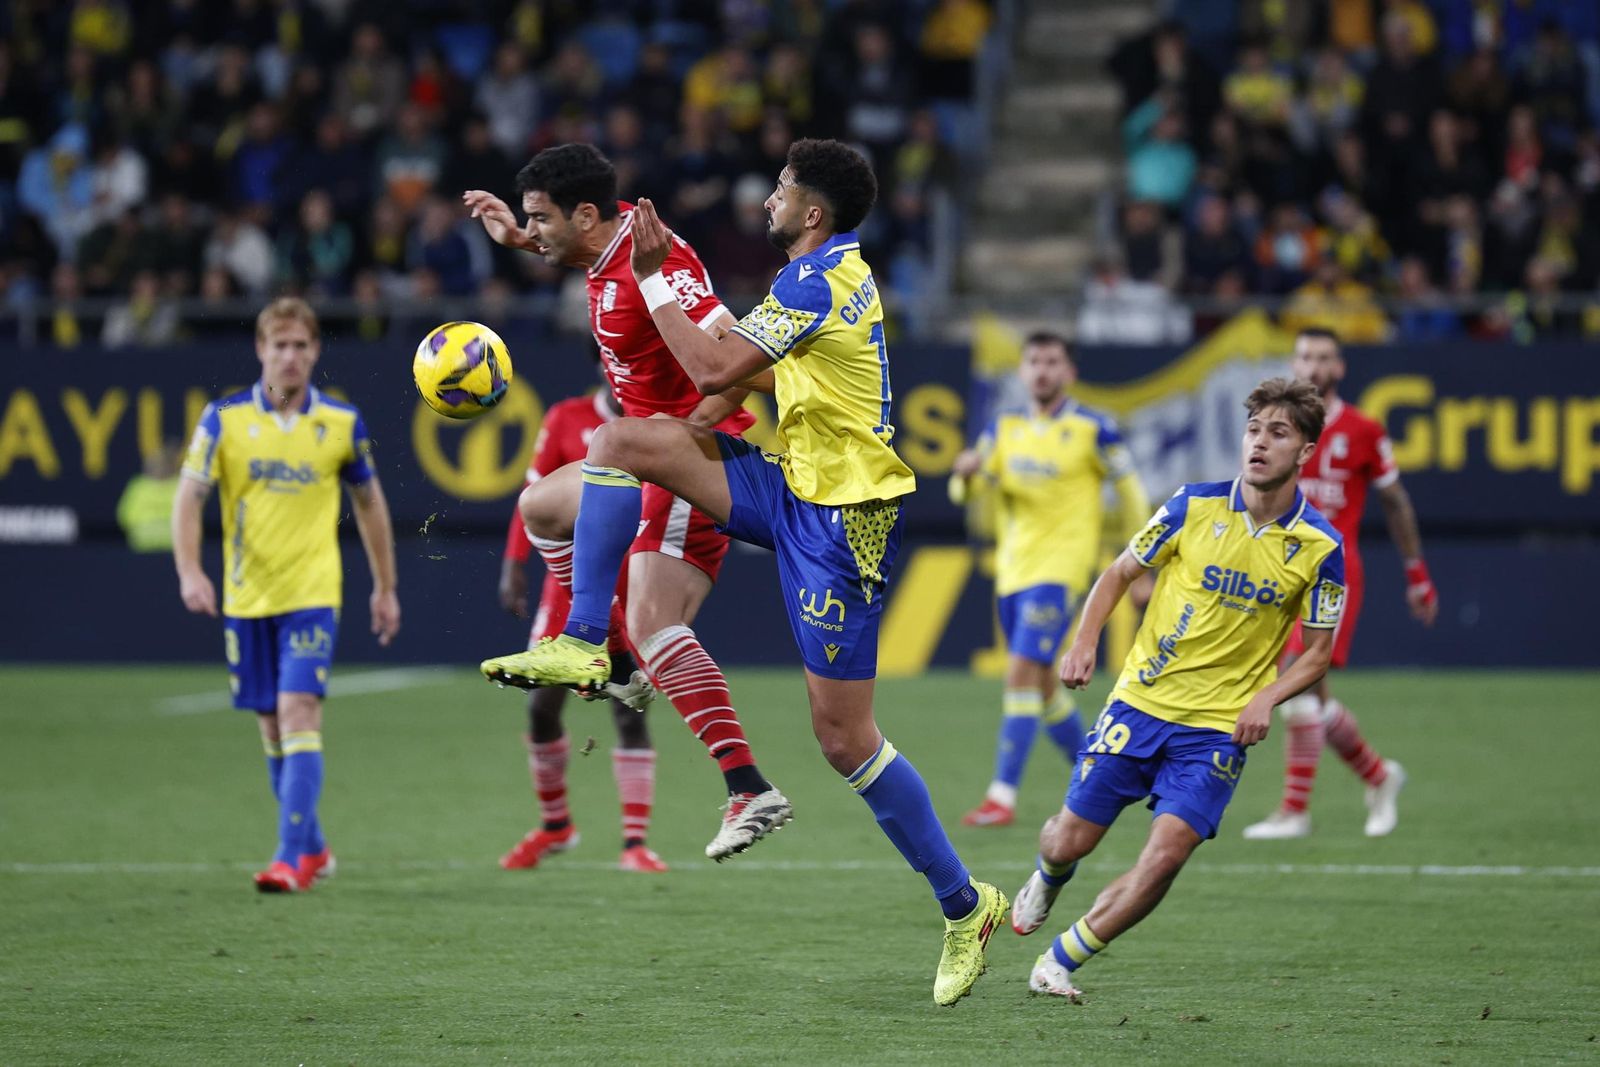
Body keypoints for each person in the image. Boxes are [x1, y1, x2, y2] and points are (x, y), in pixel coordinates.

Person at [479, 139, 1009, 1006]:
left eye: (782, 189)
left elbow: (715, 366)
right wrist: (536, 243)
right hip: (791, 482)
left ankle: (965, 904)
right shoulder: (813, 274)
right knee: (618, 441)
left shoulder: (814, 283)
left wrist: (654, 280)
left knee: (844, 739)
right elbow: (730, 373)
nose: (767, 198)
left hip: (841, 521)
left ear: (812, 213)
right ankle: (586, 640)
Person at [462, 144, 791, 862]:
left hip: (685, 462)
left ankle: (747, 785)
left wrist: (689, 433)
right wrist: (518, 238)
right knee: (540, 507)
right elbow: (575, 249)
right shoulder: (606, 247)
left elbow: (740, 356)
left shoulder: (657, 262)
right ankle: (614, 662)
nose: (534, 229)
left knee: (654, 622)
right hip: (640, 462)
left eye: (539, 217)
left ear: (585, 214)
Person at [1011, 377, 1345, 999]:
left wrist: (1266, 697)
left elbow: (1318, 654)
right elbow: (1120, 572)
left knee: (1166, 857)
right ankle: (1051, 876)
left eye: (1278, 433)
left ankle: (1060, 960)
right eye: (1253, 430)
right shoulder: (1192, 506)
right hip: (1140, 703)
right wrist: (1084, 641)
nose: (1259, 443)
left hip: (1217, 729)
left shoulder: (1321, 547)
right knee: (1067, 839)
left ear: (1304, 451)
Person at [171, 297, 400, 893]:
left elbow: (370, 505)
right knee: (273, 729)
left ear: (316, 351)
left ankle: (288, 859)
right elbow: (189, 499)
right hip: (247, 597)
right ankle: (314, 847)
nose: (291, 356)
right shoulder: (223, 420)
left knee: (299, 713)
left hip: (312, 594)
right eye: (281, 345)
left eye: (301, 345)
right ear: (261, 350)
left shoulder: (341, 424)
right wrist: (190, 571)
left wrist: (385, 587)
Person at [1241, 327, 1436, 840]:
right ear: (1294, 363)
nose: (1313, 366)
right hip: (1279, 572)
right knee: (1312, 696)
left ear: (1339, 367)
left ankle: (1294, 811)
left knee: (1295, 680)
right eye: (1305, 356)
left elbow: (1395, 501)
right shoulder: (1277, 432)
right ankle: (1378, 775)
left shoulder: (1364, 430)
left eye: (1324, 357)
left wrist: (1416, 573)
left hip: (1331, 573)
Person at [948, 333, 1150, 827]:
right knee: (1040, 686)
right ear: (1022, 371)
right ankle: (1096, 772)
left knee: (1019, 672)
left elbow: (1131, 494)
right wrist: (965, 475)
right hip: (1012, 571)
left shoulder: (1094, 429)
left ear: (1069, 372)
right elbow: (962, 493)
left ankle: (1001, 796)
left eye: (1052, 361)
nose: (1042, 370)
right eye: (1034, 361)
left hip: (1061, 570)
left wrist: (1143, 563)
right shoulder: (1004, 428)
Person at [498, 381, 667, 874]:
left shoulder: (653, 424)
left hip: (631, 577)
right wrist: (513, 562)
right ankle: (556, 826)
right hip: (569, 583)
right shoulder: (565, 417)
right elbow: (533, 495)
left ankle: (635, 842)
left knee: (628, 709)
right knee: (541, 707)